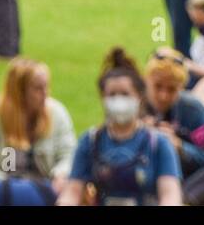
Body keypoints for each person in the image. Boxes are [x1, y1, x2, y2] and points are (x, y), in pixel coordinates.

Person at [58, 48, 182, 206]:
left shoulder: (157, 144)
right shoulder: (90, 141)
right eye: (112, 95)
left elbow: (170, 195)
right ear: (103, 97)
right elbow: (72, 191)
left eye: (125, 94)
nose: (118, 100)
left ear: (139, 96)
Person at [0, 58, 76, 205]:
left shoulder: (57, 113)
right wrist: (10, 187)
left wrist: (60, 174)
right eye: (38, 88)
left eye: (46, 86)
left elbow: (69, 155)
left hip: (47, 191)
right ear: (19, 92)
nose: (45, 93)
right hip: (1, 192)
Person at [142, 49, 204, 182]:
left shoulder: (194, 110)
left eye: (171, 89)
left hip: (185, 183)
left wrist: (179, 146)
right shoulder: (135, 106)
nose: (163, 96)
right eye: (158, 86)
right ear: (146, 82)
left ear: (181, 88)